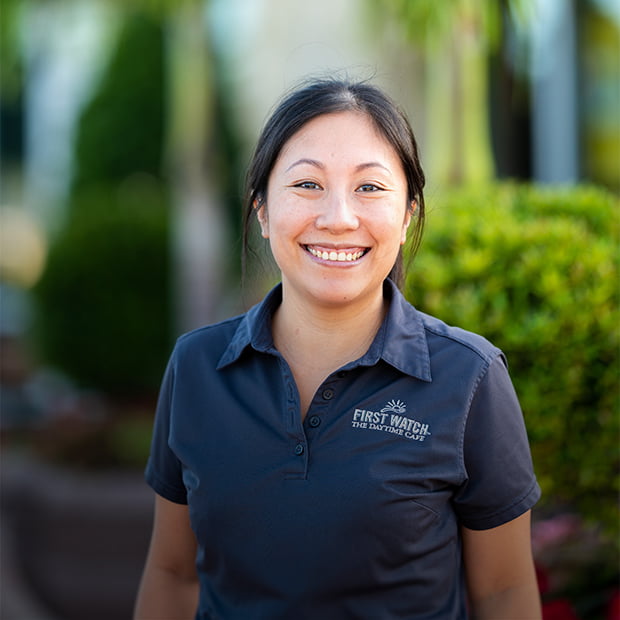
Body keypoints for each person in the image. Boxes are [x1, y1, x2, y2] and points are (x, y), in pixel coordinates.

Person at [134, 77, 542, 620]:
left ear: (408, 215)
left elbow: (504, 591)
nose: (338, 218)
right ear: (261, 209)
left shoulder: (468, 378)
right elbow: (172, 573)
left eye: (370, 188)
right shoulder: (196, 367)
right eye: (307, 185)